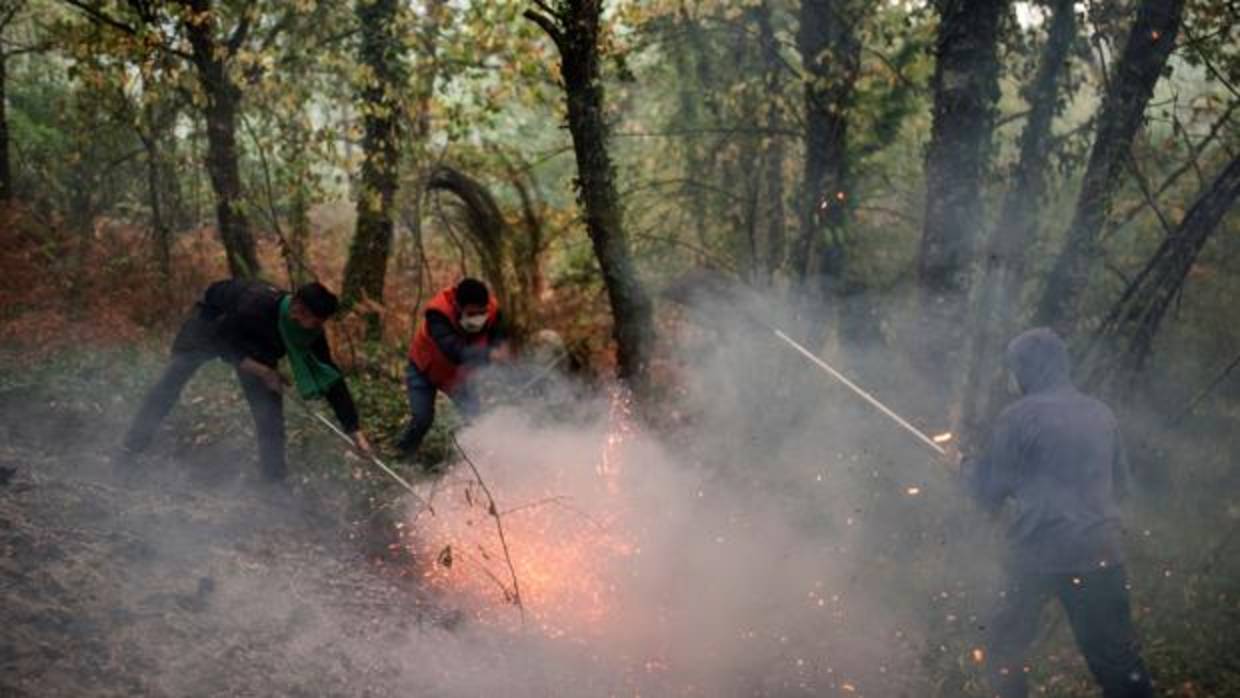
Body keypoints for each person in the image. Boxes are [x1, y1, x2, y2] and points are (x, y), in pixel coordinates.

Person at [959, 327, 1152, 698]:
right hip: (1101, 554)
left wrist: (962, 468)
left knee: (1002, 648)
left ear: (1026, 369)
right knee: (1118, 662)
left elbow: (988, 492)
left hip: (1037, 555)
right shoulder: (1101, 414)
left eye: (1014, 368)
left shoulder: (1018, 417)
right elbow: (1121, 488)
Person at [121, 279, 370, 482]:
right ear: (297, 308)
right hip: (212, 324)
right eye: (313, 322)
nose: (315, 328)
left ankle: (273, 483)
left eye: (319, 324)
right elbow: (219, 341)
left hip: (259, 346)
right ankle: (131, 449)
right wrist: (262, 371)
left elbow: (331, 378)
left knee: (270, 415)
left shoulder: (309, 331)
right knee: (169, 386)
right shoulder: (255, 306)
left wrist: (354, 431)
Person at [396, 278, 505, 458]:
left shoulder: (493, 311)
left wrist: (500, 352)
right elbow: (453, 350)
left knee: (476, 419)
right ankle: (403, 454)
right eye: (471, 313)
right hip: (424, 369)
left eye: (481, 312)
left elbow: (497, 341)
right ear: (457, 306)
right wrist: (488, 355)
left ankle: (481, 461)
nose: (478, 318)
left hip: (458, 376)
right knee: (422, 419)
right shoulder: (437, 313)